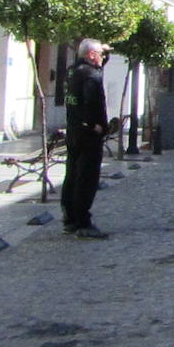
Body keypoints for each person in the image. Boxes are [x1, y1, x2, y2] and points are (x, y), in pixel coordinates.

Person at [63, 38, 111, 240]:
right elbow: (91, 101)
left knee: (72, 173)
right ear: (92, 55)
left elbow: (96, 67)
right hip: (89, 134)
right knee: (87, 177)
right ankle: (83, 221)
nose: (102, 57)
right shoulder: (91, 75)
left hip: (73, 131)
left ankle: (70, 218)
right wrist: (95, 125)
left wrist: (105, 53)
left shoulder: (73, 71)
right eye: (100, 53)